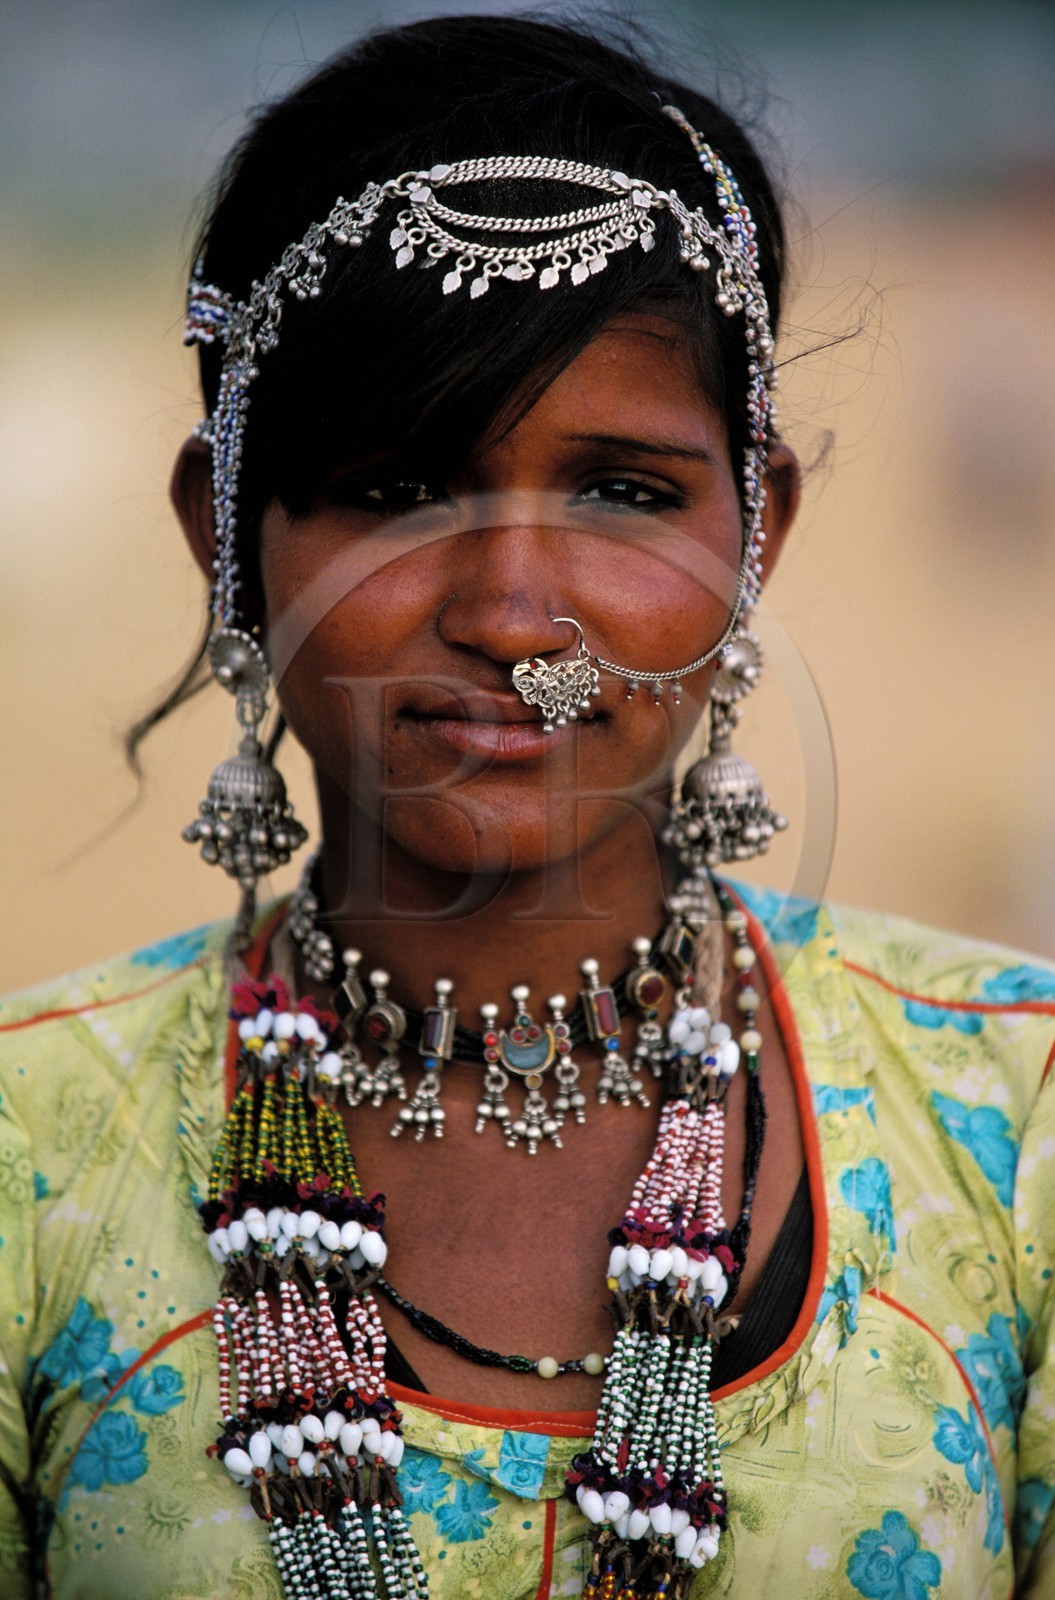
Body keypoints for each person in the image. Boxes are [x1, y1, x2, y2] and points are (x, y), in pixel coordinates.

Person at [0, 13, 1052, 1599]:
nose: (511, 613)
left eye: (624, 493)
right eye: (392, 489)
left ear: (756, 529)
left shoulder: (1023, 1123)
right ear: (225, 533)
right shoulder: (25, 1160)